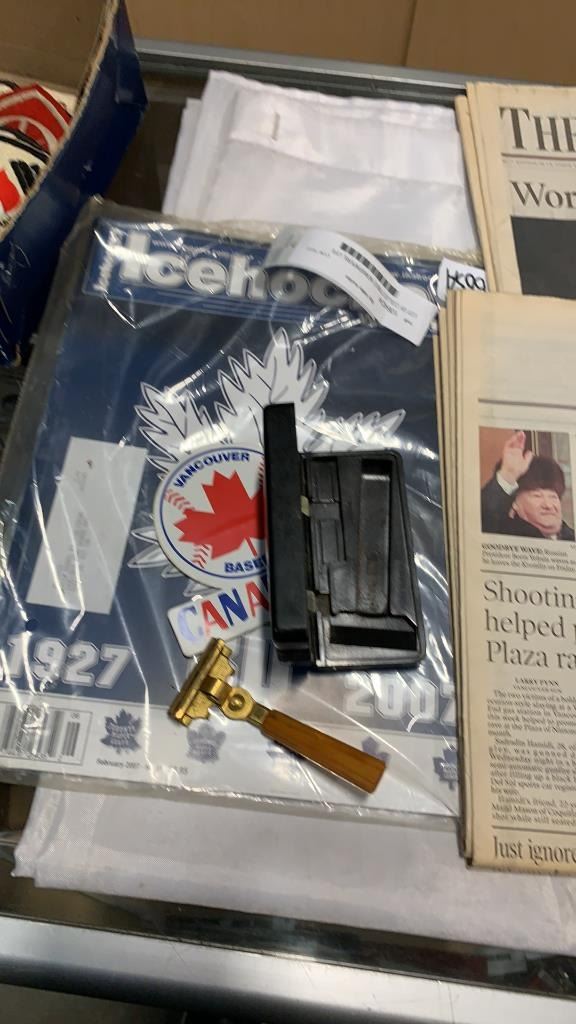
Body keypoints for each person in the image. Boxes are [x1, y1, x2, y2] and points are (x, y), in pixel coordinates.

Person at [481, 430, 575, 541]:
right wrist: (508, 475)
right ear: (515, 503)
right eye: (537, 496)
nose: (549, 505)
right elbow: (484, 514)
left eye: (553, 497)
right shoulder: (503, 533)